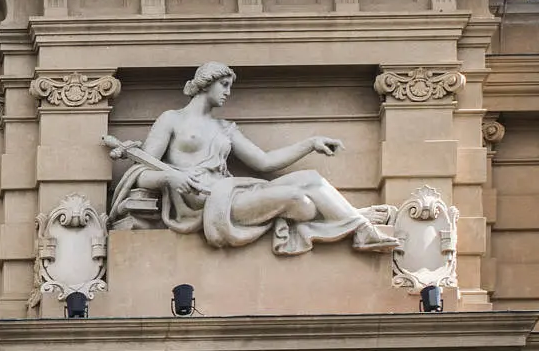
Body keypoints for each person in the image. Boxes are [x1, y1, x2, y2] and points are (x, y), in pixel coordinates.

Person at [104, 63, 399, 255]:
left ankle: (361, 230)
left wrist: (310, 143)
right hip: (205, 203)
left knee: (311, 178)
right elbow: (142, 173)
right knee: (301, 201)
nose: (228, 93)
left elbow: (265, 162)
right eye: (224, 86)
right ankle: (351, 220)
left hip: (230, 191)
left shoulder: (224, 128)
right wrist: (171, 176)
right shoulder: (172, 120)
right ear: (207, 83)